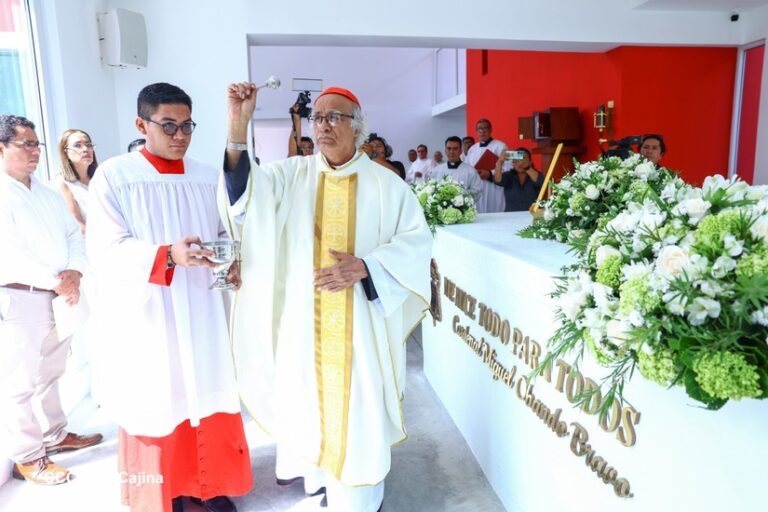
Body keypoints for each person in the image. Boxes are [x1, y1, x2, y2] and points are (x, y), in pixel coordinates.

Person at [221, 83, 432, 512]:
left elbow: (416, 242)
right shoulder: (291, 175)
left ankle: (358, 501)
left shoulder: (387, 186)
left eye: (334, 117)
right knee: (307, 408)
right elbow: (246, 198)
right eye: (318, 118)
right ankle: (319, 481)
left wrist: (368, 266)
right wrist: (238, 126)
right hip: (304, 326)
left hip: (361, 331)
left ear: (358, 127)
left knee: (358, 421)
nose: (323, 126)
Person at [87, 83, 252, 512]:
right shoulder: (116, 175)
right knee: (160, 400)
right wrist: (167, 255)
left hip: (203, 309)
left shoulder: (205, 175)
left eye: (187, 126)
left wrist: (229, 258)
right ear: (142, 124)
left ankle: (211, 488)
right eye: (169, 126)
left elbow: (224, 231)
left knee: (210, 391)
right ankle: (168, 493)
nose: (180, 135)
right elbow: (106, 248)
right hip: (151, 314)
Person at [0, 114, 102, 486]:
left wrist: (74, 273)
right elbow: (7, 255)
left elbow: (73, 235)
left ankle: (55, 435)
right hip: (20, 296)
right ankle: (27, 458)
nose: (34, 151)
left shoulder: (44, 191)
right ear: (1, 148)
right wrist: (57, 281)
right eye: (24, 144)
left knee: (51, 372)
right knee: (20, 381)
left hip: (61, 294)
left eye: (36, 144)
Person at [53, 129, 98, 235]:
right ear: (65, 152)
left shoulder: (99, 178)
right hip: (89, 244)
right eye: (78, 145)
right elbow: (78, 226)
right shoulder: (61, 183)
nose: (85, 149)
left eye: (88, 144)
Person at [465, 118, 509, 213]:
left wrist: (489, 173)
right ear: (476, 131)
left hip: (493, 187)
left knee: (495, 214)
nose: (482, 131)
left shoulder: (501, 146)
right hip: (477, 186)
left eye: (485, 128)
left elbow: (508, 167)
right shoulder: (472, 149)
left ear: (490, 130)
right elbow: (467, 168)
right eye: (479, 129)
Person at [431, 136, 482, 201]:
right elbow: (431, 188)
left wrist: (459, 196)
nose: (452, 152)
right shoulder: (437, 170)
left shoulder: (471, 171)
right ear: (445, 151)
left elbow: (477, 192)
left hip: (463, 209)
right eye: (449, 148)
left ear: (461, 151)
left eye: (455, 149)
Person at [493, 147, 544, 212]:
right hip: (511, 217)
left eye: (523, 159)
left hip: (532, 216)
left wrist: (526, 167)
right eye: (517, 160)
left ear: (530, 162)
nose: (520, 162)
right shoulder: (509, 175)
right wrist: (500, 162)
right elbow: (498, 181)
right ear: (513, 162)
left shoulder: (535, 175)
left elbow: (541, 182)